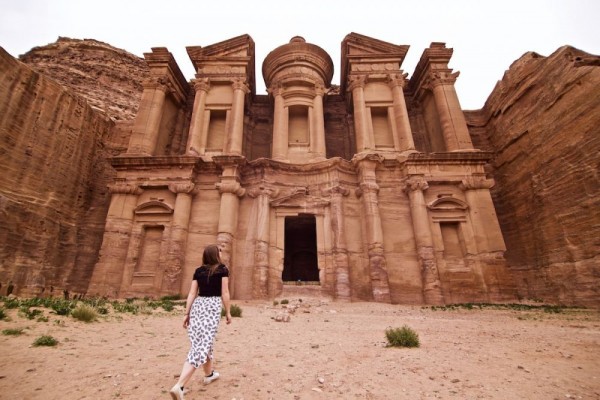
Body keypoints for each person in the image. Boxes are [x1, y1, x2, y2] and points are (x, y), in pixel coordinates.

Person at [170, 244, 232, 400]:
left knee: (203, 342)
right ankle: (180, 386)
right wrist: (228, 312)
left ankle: (209, 374)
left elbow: (192, 293)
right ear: (215, 254)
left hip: (198, 306)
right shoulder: (222, 269)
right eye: (219, 251)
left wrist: (187, 313)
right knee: (201, 346)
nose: (221, 253)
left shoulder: (198, 271)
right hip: (212, 307)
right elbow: (225, 292)